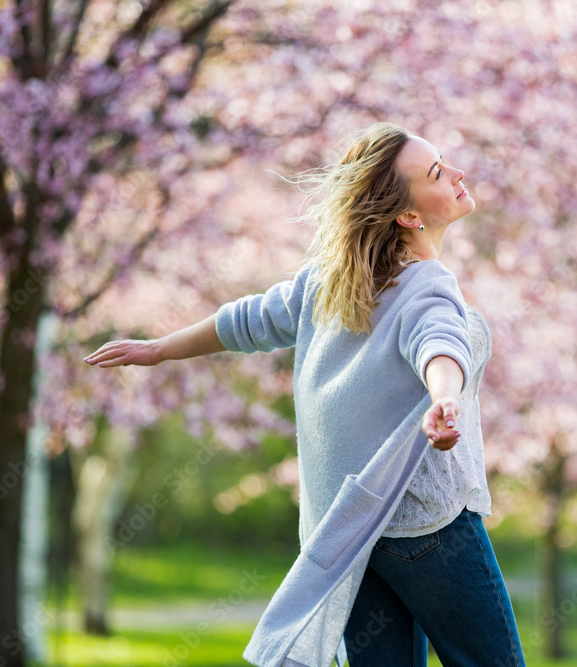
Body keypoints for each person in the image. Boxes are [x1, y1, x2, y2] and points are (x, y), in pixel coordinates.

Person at [85, 122, 526, 667]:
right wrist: (445, 398)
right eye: (437, 172)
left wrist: (160, 350)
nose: (456, 173)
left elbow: (250, 320)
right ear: (408, 216)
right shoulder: (425, 284)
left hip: (351, 529)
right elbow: (440, 342)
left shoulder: (330, 282)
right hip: (423, 524)